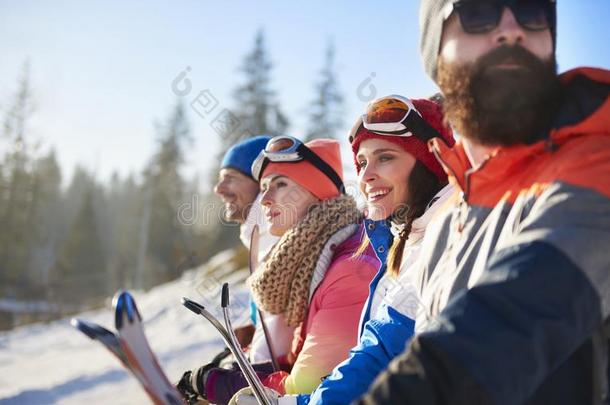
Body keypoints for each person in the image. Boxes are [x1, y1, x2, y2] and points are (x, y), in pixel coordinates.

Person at [358, 1, 610, 404]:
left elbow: (515, 316)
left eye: (534, 13)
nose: (512, 30)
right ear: (434, 51)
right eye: (478, 12)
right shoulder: (449, 221)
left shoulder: (595, 164)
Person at [233, 96, 455, 405]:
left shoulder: (362, 262)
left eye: (385, 157)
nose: (365, 176)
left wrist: (274, 396)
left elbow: (373, 361)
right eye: (362, 163)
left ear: (430, 159)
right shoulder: (403, 242)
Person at [195, 137, 379, 405]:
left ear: (319, 193)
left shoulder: (351, 269)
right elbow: (299, 354)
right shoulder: (307, 258)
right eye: (265, 187)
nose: (265, 199)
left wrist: (216, 383)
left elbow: (307, 383)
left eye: (280, 185)